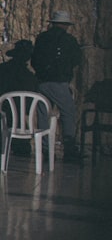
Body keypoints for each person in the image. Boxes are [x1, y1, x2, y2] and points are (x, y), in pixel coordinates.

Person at [31, 10, 83, 160]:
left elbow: (35, 60)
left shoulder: (42, 38)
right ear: (66, 25)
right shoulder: (69, 40)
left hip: (41, 82)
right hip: (58, 82)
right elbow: (76, 60)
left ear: (53, 23)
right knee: (68, 112)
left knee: (43, 114)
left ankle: (44, 150)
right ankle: (70, 149)